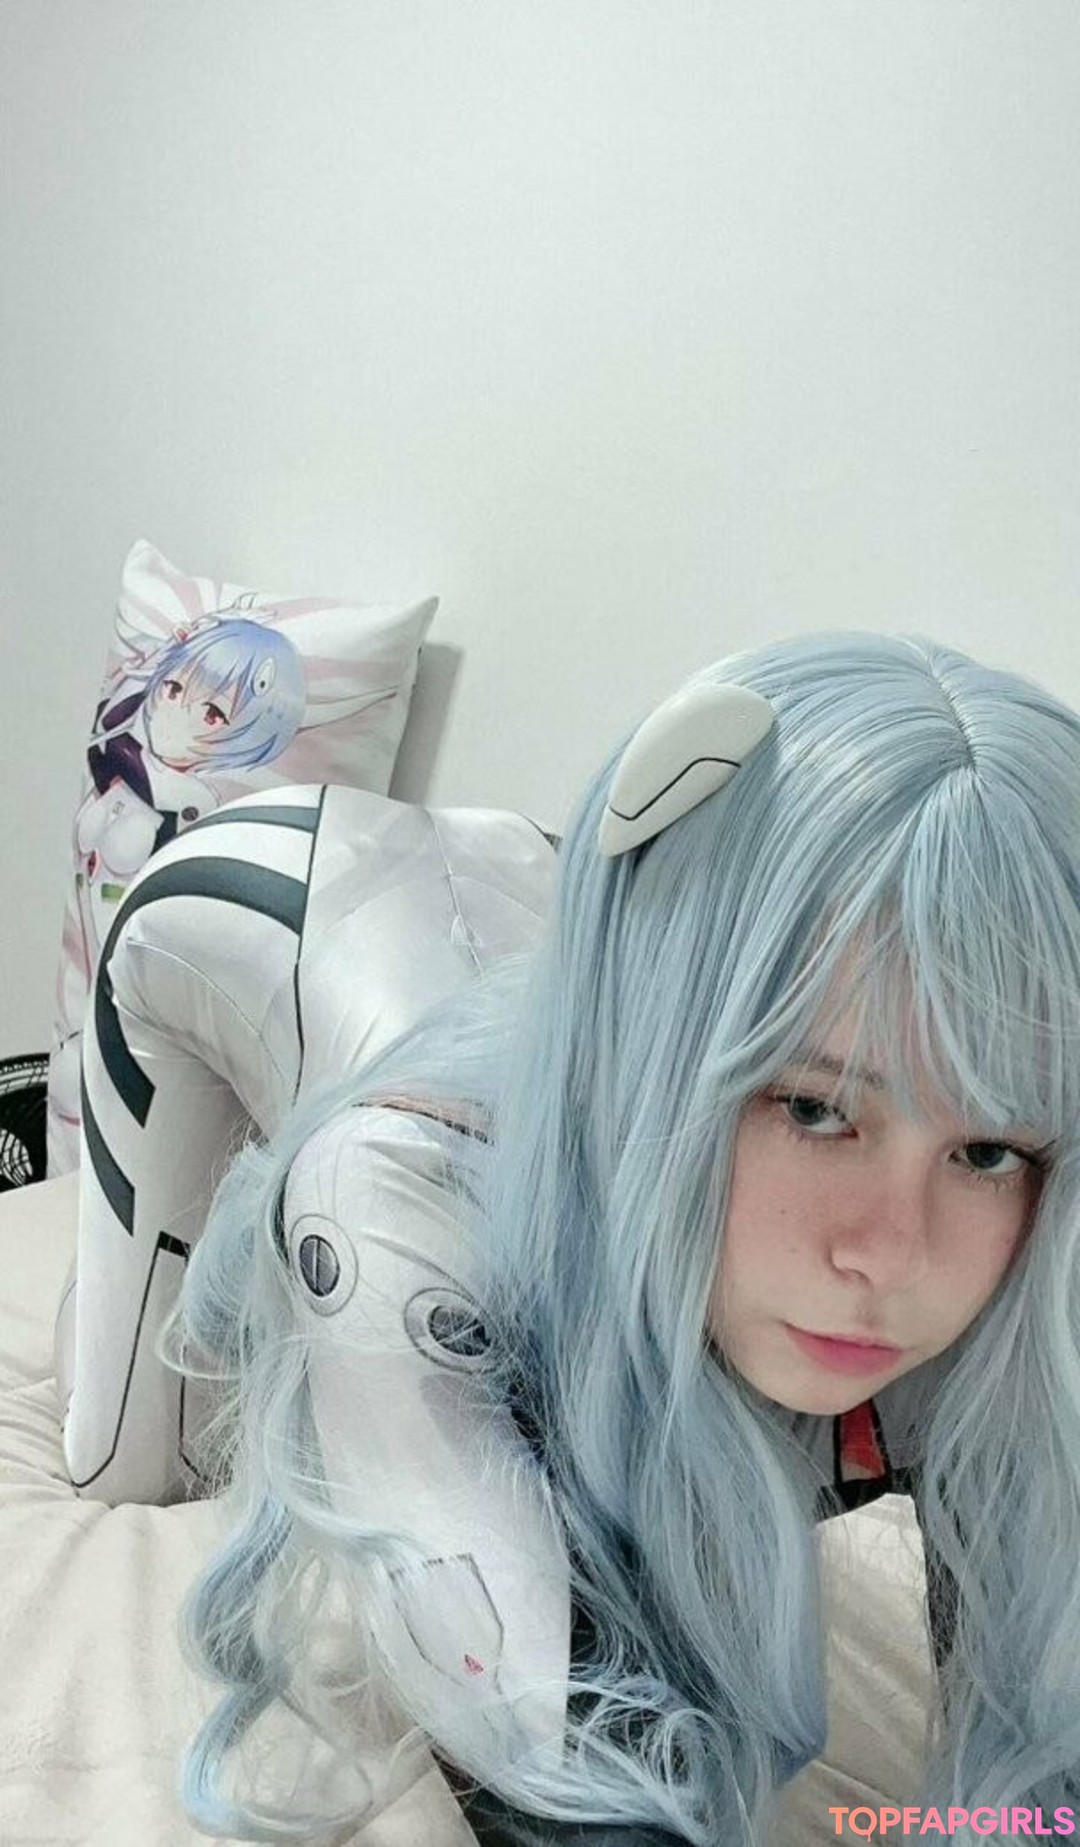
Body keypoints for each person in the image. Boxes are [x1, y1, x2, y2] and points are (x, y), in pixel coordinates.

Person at [175, 630, 1080, 1844]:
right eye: (813, 1108)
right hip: (236, 900)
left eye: (988, 1150)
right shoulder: (398, 1193)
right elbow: (563, 1762)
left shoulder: (1020, 1252)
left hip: (560, 917)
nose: (893, 1254)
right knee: (124, 1440)